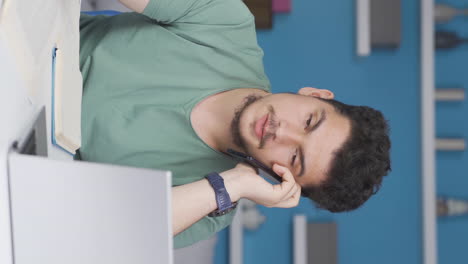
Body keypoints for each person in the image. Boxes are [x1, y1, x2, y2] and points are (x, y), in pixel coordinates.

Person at [77, 0, 391, 248]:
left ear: (286, 182)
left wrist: (233, 185)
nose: (281, 131)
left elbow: (106, 231)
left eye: (295, 157)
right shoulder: (226, 22)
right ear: (315, 95)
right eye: (309, 121)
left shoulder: (210, 204)